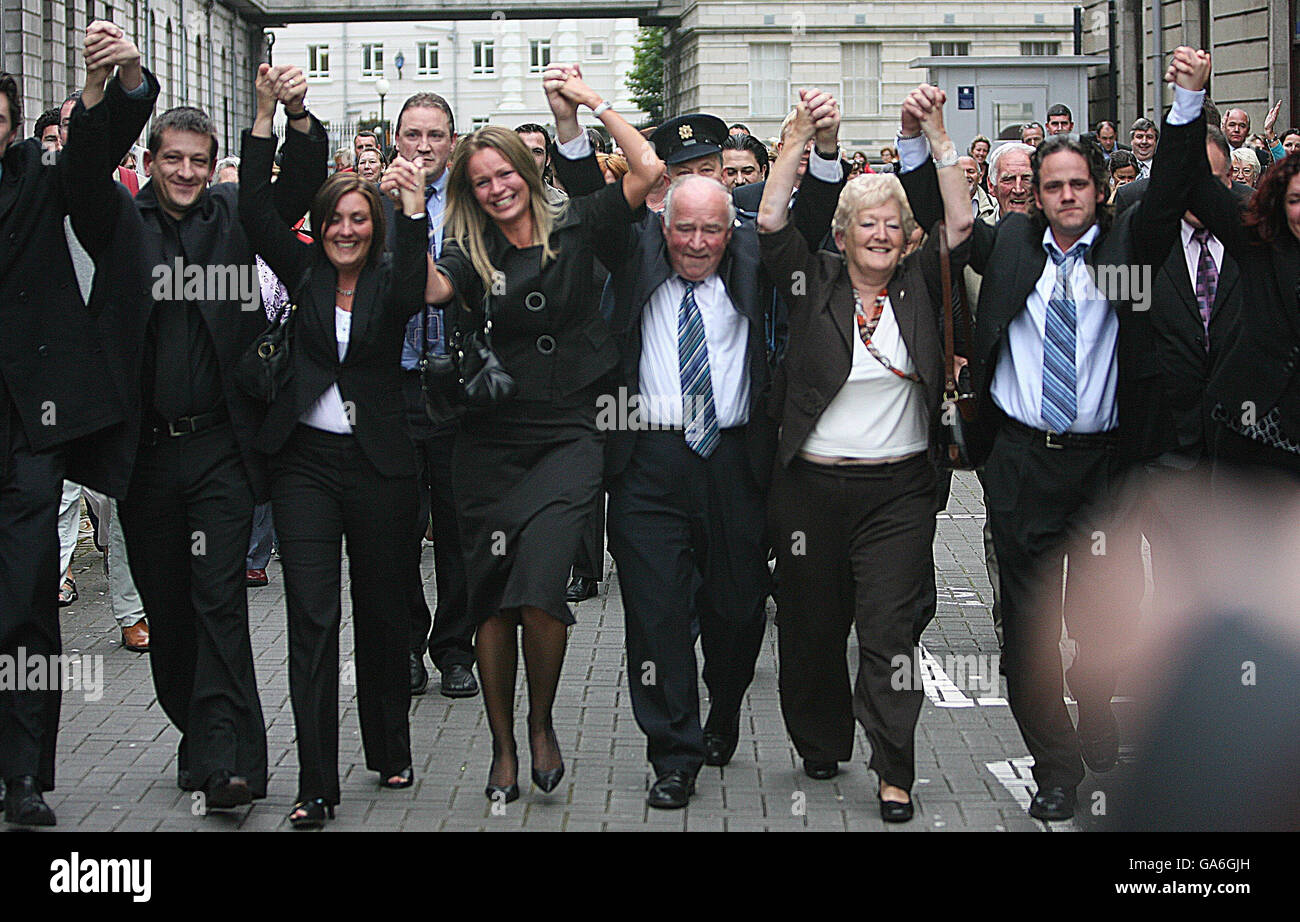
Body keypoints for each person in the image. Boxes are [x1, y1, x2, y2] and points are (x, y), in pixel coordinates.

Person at [900, 47, 1210, 822]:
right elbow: (948, 218)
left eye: (1079, 183)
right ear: (1033, 197)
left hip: (1105, 470)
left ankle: (1099, 707)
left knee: (1101, 624)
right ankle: (1057, 768)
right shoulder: (1008, 248)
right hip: (1021, 467)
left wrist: (1184, 104)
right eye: (1052, 186)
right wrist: (928, 138)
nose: (1066, 195)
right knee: (1030, 637)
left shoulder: (1126, 248)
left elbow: (1172, 187)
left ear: (1100, 191)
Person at [552, 93, 844, 810]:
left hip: (737, 462)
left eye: (711, 231)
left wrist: (822, 144)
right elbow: (590, 193)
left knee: (739, 611)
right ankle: (673, 753)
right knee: (655, 615)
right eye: (685, 229)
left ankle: (724, 705)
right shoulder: (634, 246)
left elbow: (808, 221)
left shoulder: (751, 252)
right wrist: (572, 120)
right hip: (649, 463)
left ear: (729, 229)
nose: (697, 244)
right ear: (663, 220)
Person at [69, 55, 328, 813]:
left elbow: (298, 183)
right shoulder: (119, 221)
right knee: (171, 615)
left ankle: (229, 766)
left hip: (219, 447)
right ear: (149, 163)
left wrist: (287, 114)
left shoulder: (232, 217)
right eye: (172, 159)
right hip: (145, 455)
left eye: (198, 161)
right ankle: (203, 735)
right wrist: (102, 93)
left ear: (212, 167)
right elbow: (82, 171)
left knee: (218, 601)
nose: (185, 172)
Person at [416, 64, 663, 805]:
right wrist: (402, 210)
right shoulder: (469, 251)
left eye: (505, 174)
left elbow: (648, 167)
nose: (497, 188)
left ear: (528, 170)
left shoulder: (581, 221)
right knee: (492, 598)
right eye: (482, 180)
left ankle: (543, 723)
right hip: (487, 442)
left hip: (568, 438)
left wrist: (590, 103)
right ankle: (499, 746)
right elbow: (427, 290)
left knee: (542, 590)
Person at [758, 84, 973, 823]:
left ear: (906, 236)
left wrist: (937, 137)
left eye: (891, 224)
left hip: (900, 495)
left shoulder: (922, 285)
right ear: (841, 235)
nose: (879, 234)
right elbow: (770, 218)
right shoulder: (808, 281)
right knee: (813, 630)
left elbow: (963, 217)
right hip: (810, 493)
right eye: (864, 224)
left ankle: (894, 769)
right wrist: (798, 138)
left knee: (889, 631)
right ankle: (820, 739)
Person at [240, 64, 429, 828]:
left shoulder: (391, 275)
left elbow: (418, 283)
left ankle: (389, 745)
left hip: (382, 466)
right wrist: (268, 116)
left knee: (383, 612)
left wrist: (411, 214)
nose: (347, 230)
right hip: (306, 469)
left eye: (360, 219)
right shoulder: (303, 269)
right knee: (313, 619)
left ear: (373, 226)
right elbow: (254, 209)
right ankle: (315, 782)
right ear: (319, 228)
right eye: (336, 220)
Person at [1, 21, 155, 828]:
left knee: (25, 602)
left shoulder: (37, 174)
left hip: (31, 427)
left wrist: (106, 81)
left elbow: (94, 150)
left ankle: (24, 776)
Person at [377, 91, 478, 700]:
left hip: (458, 387)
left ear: (452, 141)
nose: (422, 147)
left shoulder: (472, 204)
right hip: (392, 383)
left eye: (435, 136)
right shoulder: (373, 203)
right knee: (394, 526)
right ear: (396, 137)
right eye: (412, 135)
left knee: (460, 528)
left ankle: (455, 649)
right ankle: (406, 646)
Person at [1198, 117, 1300, 479]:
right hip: (1254, 437)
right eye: (1296, 200)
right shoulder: (1261, 246)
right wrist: (1190, 100)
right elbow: (1198, 187)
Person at [515, 122, 567, 205]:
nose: (529, 158)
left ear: (548, 159)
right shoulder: (497, 200)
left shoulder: (562, 204)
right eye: (522, 151)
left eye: (537, 152)